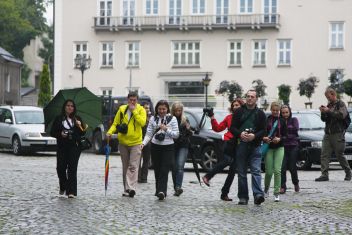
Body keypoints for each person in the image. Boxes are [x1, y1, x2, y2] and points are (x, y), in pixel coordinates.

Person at [202, 98, 244, 201]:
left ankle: (224, 194)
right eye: (233, 105)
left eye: (237, 105)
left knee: (232, 171)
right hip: (228, 142)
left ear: (242, 106)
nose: (235, 107)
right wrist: (212, 117)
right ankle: (207, 176)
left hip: (238, 146)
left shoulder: (245, 118)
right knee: (226, 161)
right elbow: (217, 128)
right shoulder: (229, 117)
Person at [230, 90, 266, 205]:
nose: (250, 98)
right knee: (241, 172)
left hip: (255, 145)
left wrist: (254, 136)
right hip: (241, 145)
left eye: (252, 97)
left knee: (256, 171)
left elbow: (264, 130)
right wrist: (240, 134)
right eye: (248, 96)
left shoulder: (260, 113)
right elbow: (232, 128)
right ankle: (243, 197)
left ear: (256, 99)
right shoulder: (239, 112)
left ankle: (258, 195)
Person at [107, 92, 146, 197]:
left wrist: (134, 112)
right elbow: (115, 123)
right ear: (127, 99)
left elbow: (142, 123)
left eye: (134, 100)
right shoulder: (122, 109)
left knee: (133, 166)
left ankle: (131, 188)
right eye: (130, 100)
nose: (132, 102)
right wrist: (110, 132)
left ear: (137, 100)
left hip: (136, 143)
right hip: (123, 142)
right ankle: (126, 189)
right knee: (125, 166)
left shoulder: (141, 110)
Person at [142, 100, 179, 200]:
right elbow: (149, 133)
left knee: (164, 169)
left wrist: (166, 129)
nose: (161, 111)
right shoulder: (153, 119)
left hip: (168, 147)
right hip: (155, 146)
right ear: (156, 109)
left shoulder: (172, 119)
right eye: (159, 109)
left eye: (164, 109)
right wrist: (143, 143)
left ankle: (162, 191)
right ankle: (159, 190)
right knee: (157, 169)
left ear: (167, 109)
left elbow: (176, 134)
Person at [50, 99, 86, 198]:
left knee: (72, 169)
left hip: (74, 147)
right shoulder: (59, 118)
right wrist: (60, 134)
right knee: (60, 168)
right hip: (62, 146)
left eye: (72, 106)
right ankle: (63, 186)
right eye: (68, 105)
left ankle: (71, 192)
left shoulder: (77, 119)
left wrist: (80, 126)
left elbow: (83, 133)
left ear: (74, 108)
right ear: (64, 107)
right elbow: (52, 132)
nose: (70, 107)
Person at [315, 87, 352, 181]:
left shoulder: (341, 104)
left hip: (338, 133)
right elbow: (324, 119)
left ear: (333, 94)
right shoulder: (329, 104)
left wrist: (329, 111)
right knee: (324, 154)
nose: (328, 98)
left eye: (329, 97)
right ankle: (324, 174)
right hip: (328, 133)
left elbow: (341, 115)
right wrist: (323, 112)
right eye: (326, 97)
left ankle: (348, 172)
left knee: (339, 154)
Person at [263, 102, 287, 202]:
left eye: (277, 111)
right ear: (271, 110)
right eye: (274, 110)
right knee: (268, 171)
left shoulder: (282, 120)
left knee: (277, 170)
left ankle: (276, 193)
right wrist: (264, 138)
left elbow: (286, 135)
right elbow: (263, 133)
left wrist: (280, 139)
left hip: (279, 147)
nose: (275, 112)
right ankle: (266, 188)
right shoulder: (267, 120)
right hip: (269, 147)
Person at [171, 102, 193, 197]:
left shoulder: (185, 119)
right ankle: (176, 187)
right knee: (174, 167)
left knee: (180, 166)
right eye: (176, 110)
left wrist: (188, 130)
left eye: (179, 110)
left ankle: (178, 187)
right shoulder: (170, 119)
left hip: (183, 145)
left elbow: (190, 134)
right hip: (172, 145)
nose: (178, 112)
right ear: (173, 111)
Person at [280, 105, 300, 194]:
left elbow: (295, 129)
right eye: (283, 113)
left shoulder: (294, 120)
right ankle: (283, 186)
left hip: (293, 146)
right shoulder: (279, 121)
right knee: (282, 167)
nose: (285, 114)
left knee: (292, 167)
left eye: (286, 112)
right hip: (283, 146)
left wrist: (284, 134)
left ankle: (296, 183)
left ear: (290, 112)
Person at [138, 102, 152, 183]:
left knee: (146, 160)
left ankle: (144, 178)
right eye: (146, 108)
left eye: (148, 108)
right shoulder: (140, 118)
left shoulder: (150, 119)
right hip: (139, 141)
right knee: (138, 160)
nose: (148, 110)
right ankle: (138, 177)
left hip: (147, 142)